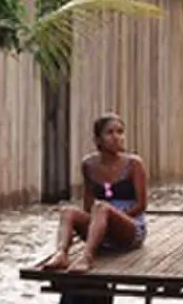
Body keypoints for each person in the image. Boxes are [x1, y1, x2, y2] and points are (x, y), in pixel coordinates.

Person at [42, 113, 148, 272]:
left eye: (120, 132)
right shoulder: (89, 165)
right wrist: (98, 222)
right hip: (101, 226)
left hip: (130, 228)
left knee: (101, 207)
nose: (116, 137)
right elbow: (87, 204)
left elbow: (141, 205)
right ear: (98, 140)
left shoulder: (134, 164)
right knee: (68, 211)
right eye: (110, 133)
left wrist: (113, 216)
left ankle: (87, 257)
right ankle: (61, 253)